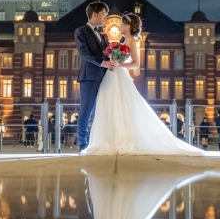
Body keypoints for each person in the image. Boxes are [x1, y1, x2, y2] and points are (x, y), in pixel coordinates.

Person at [81, 14, 201, 156]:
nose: (120, 26)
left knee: (120, 107)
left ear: (128, 26)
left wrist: (119, 64)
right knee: (110, 106)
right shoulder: (123, 39)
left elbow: (136, 63)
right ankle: (111, 139)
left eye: (122, 24)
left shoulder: (131, 41)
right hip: (112, 74)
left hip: (118, 74)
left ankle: (118, 140)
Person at [74, 1, 117, 152]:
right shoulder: (81, 31)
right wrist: (102, 63)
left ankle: (99, 143)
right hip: (90, 77)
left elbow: (108, 52)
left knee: (103, 109)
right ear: (95, 14)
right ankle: (82, 145)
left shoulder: (103, 35)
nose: (105, 17)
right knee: (87, 110)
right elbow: (84, 53)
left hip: (105, 77)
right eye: (104, 14)